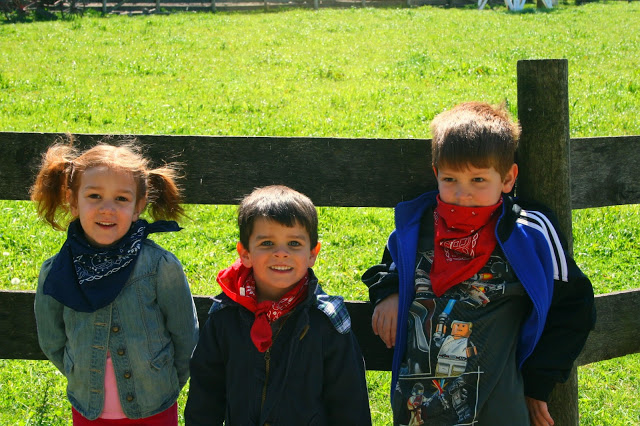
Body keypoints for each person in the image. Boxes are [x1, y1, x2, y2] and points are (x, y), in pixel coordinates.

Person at [362, 102, 595, 426]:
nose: (463, 193)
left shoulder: (526, 232)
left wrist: (539, 382)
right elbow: (391, 266)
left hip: (496, 410)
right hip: (418, 409)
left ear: (508, 178)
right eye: (450, 178)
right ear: (436, 174)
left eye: (478, 180)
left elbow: (574, 306)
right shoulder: (416, 227)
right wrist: (389, 293)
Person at [32, 137, 199, 425]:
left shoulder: (160, 267)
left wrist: (165, 381)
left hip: (155, 406)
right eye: (94, 196)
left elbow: (185, 335)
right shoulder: (57, 272)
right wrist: (77, 371)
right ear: (73, 201)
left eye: (121, 199)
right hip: (89, 409)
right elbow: (52, 340)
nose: (107, 208)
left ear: (138, 207)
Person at [185, 185, 372, 425]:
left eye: (294, 243)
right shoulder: (225, 316)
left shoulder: (327, 321)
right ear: (245, 253)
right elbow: (205, 398)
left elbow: (350, 404)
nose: (281, 253)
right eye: (267, 243)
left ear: (312, 253)